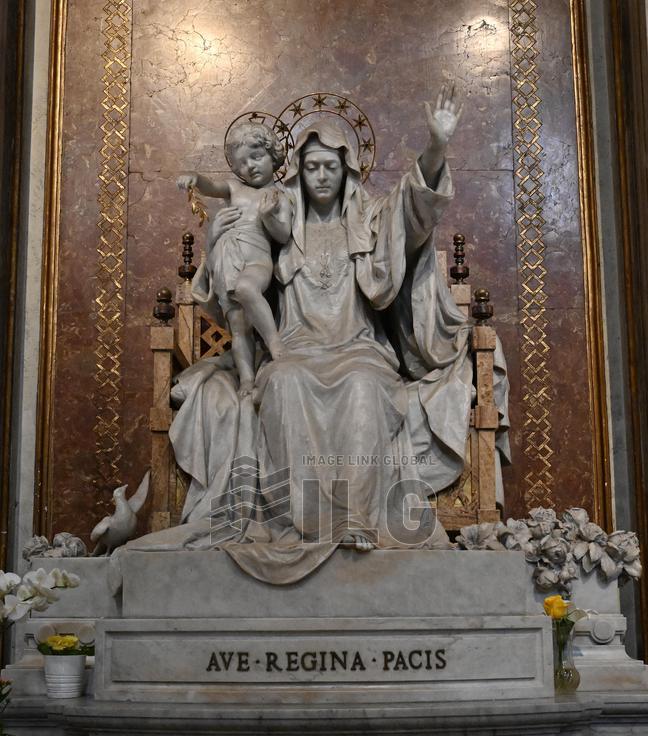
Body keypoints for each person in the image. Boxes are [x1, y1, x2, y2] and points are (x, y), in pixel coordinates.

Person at [133, 85, 510, 584]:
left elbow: (414, 211)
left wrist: (437, 146)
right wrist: (215, 234)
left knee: (361, 388)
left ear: (348, 167)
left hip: (359, 352)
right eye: (311, 167)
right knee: (285, 384)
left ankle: (354, 519)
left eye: (331, 166)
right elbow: (231, 280)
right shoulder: (276, 221)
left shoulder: (370, 220)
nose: (321, 176)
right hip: (296, 351)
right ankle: (299, 524)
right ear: (298, 172)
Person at [176, 121, 292, 395]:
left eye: (256, 156)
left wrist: (267, 216)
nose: (250, 166)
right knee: (238, 327)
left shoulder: (279, 195)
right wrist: (195, 177)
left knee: (246, 288)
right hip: (227, 261)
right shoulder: (234, 188)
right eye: (241, 163)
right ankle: (247, 380)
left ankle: (275, 344)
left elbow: (284, 235)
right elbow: (210, 186)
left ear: (272, 155)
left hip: (256, 259)